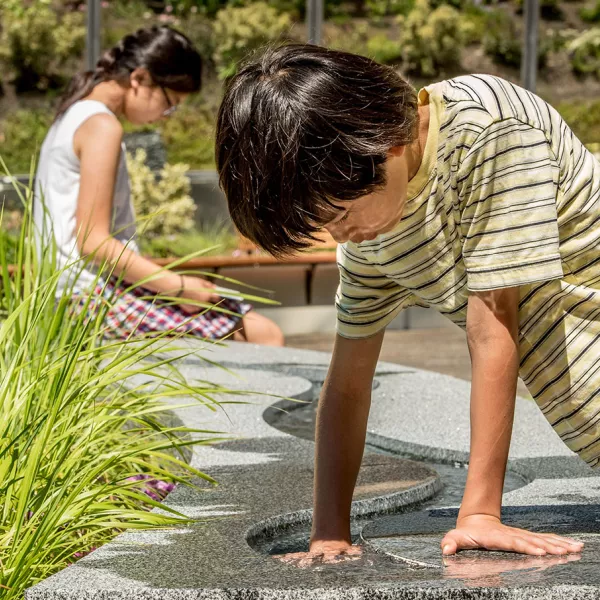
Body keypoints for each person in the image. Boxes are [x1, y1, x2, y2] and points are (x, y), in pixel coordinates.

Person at [215, 44, 596, 559]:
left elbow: (493, 326)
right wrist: (329, 533)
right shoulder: (373, 230)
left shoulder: (488, 132)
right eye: (324, 226)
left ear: (384, 143)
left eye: (340, 214)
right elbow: (348, 383)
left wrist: (480, 513)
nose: (340, 237)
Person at [34, 26, 283, 346]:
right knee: (262, 334)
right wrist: (176, 285)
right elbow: (92, 242)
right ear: (139, 79)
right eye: (171, 102)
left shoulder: (70, 115)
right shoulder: (101, 126)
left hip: (65, 292)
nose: (167, 116)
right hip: (90, 297)